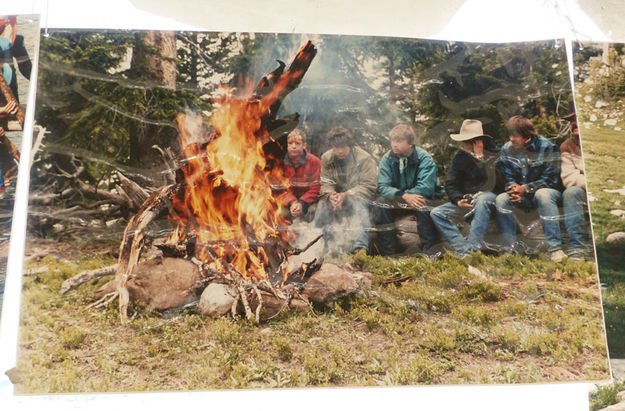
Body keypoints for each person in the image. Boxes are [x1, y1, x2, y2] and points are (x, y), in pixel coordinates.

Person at [495, 115, 565, 262]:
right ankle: (510, 251)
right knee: (501, 199)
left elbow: (552, 180)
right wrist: (514, 190)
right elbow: (507, 177)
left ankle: (555, 250)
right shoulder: (507, 149)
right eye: (510, 135)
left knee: (543, 194)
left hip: (545, 193)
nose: (511, 139)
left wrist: (526, 189)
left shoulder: (547, 147)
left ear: (526, 135)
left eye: (514, 135)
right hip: (521, 195)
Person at [430, 119, 503, 255]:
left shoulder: (495, 154)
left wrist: (480, 158)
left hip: (490, 198)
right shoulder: (460, 157)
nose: (463, 144)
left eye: (466, 141)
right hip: (468, 201)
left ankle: (472, 250)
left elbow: (498, 181)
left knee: (482, 200)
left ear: (476, 141)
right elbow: (451, 182)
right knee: (437, 213)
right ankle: (464, 251)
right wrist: (458, 199)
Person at [377, 124, 444, 254]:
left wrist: (408, 195)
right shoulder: (387, 159)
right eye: (392, 141)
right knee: (381, 202)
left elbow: (426, 187)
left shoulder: (424, 158)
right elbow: (382, 187)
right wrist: (403, 195)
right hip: (399, 198)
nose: (394, 145)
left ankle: (430, 252)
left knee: (421, 202)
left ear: (410, 144)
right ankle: (388, 253)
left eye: (399, 141)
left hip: (424, 198)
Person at [313, 126, 377, 254]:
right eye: (336, 148)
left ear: (350, 145)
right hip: (336, 198)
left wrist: (347, 195)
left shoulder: (364, 158)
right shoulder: (326, 158)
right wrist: (331, 195)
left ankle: (360, 249)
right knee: (322, 207)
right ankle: (319, 246)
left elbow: (369, 186)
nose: (340, 151)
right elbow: (325, 182)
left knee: (358, 206)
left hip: (358, 197)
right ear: (332, 146)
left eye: (343, 147)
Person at [560, 112, 587, 259]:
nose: (574, 123)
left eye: (577, 119)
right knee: (570, 192)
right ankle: (577, 248)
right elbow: (569, 178)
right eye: (571, 120)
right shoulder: (567, 146)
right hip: (584, 190)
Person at [278, 128, 321, 221]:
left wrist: (301, 203)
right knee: (281, 213)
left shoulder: (314, 161)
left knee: (313, 212)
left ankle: (310, 234)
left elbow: (316, 187)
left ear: (304, 146)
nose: (293, 146)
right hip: (289, 200)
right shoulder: (281, 163)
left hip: (309, 201)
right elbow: (282, 188)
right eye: (290, 143)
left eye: (297, 143)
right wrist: (293, 202)